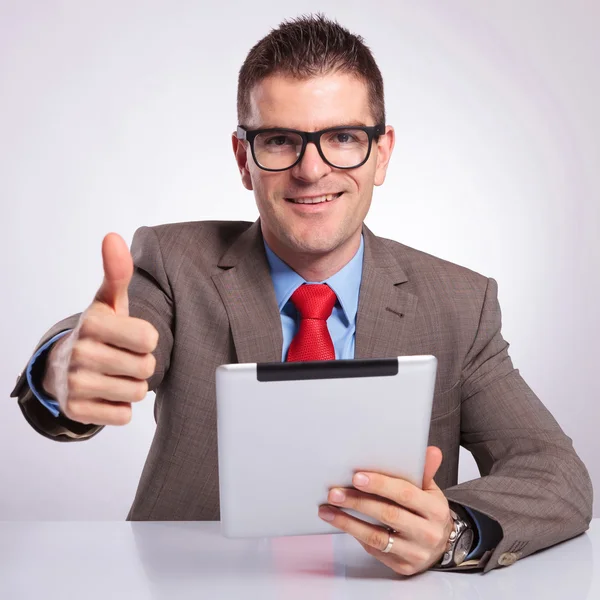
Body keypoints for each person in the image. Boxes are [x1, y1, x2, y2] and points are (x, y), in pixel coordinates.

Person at [11, 14, 592, 576]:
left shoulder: (460, 305)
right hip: (193, 585)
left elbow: (556, 476)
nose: (312, 170)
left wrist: (452, 533)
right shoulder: (174, 264)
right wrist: (64, 366)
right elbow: (116, 334)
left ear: (382, 153)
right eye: (282, 140)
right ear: (245, 159)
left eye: (343, 137)